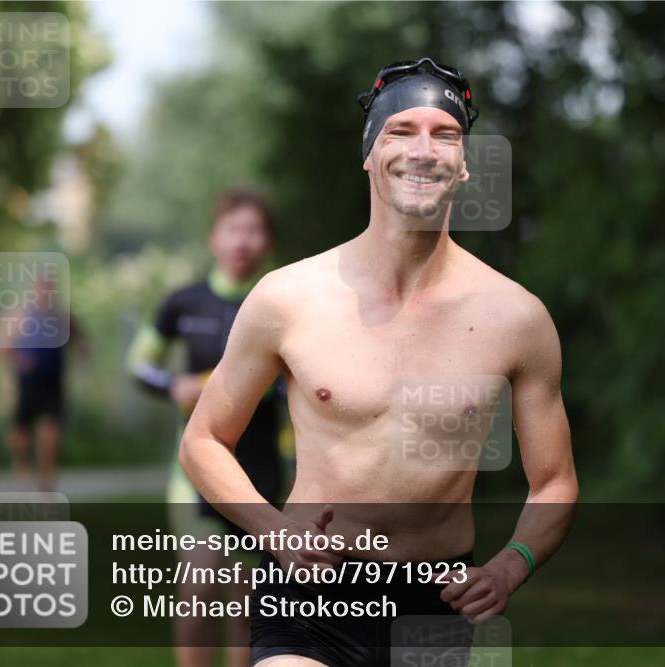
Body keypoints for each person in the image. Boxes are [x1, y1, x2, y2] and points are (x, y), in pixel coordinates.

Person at [179, 58, 578, 667]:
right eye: (400, 131)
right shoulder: (288, 298)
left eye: (445, 135)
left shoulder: (516, 318)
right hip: (310, 588)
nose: (424, 150)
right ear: (369, 154)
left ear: (465, 165)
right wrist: (271, 530)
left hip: (435, 601)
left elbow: (555, 481)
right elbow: (204, 440)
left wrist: (509, 565)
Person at [127, 186, 285, 667]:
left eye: (254, 231)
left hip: (260, 469)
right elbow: (138, 364)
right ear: (214, 238)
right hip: (195, 470)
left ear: (268, 243)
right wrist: (174, 385)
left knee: (245, 602)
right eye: (234, 229)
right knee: (198, 589)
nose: (243, 240)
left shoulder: (280, 303)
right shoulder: (184, 302)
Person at [2, 276, 87, 493]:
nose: (45, 293)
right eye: (41, 289)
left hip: (52, 382)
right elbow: (2, 347)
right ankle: (23, 460)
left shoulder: (62, 317)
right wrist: (19, 361)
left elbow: (80, 339)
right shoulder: (21, 316)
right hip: (28, 382)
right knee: (19, 433)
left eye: (49, 289)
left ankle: (46, 483)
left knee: (51, 433)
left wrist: (81, 354)